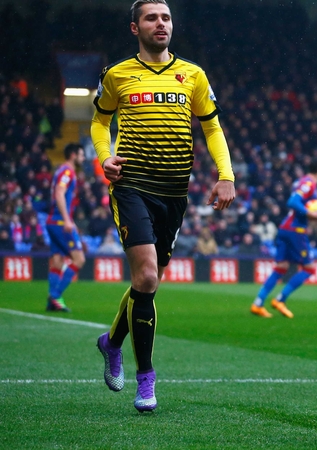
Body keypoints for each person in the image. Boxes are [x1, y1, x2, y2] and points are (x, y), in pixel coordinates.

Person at [91, 0, 236, 412]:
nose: (161, 24)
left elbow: (212, 126)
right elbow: (99, 122)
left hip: (175, 192)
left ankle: (111, 342)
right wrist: (104, 156)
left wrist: (226, 174)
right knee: (148, 277)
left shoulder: (193, 74)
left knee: (145, 285)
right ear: (134, 27)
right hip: (132, 186)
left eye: (166, 17)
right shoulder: (117, 75)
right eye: (152, 17)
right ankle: (146, 378)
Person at [250, 158, 317, 319]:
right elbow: (292, 202)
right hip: (295, 230)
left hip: (286, 227)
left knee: (281, 267)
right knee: (309, 268)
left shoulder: (300, 181)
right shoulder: (309, 183)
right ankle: (280, 299)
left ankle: (257, 303)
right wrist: (310, 213)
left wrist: (308, 214)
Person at [44, 143, 87, 312]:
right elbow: (60, 193)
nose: (83, 158)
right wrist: (67, 219)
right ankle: (54, 296)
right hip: (60, 222)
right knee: (79, 259)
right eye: (81, 155)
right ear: (73, 155)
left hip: (52, 221)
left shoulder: (61, 171)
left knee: (57, 261)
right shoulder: (67, 172)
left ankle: (51, 301)